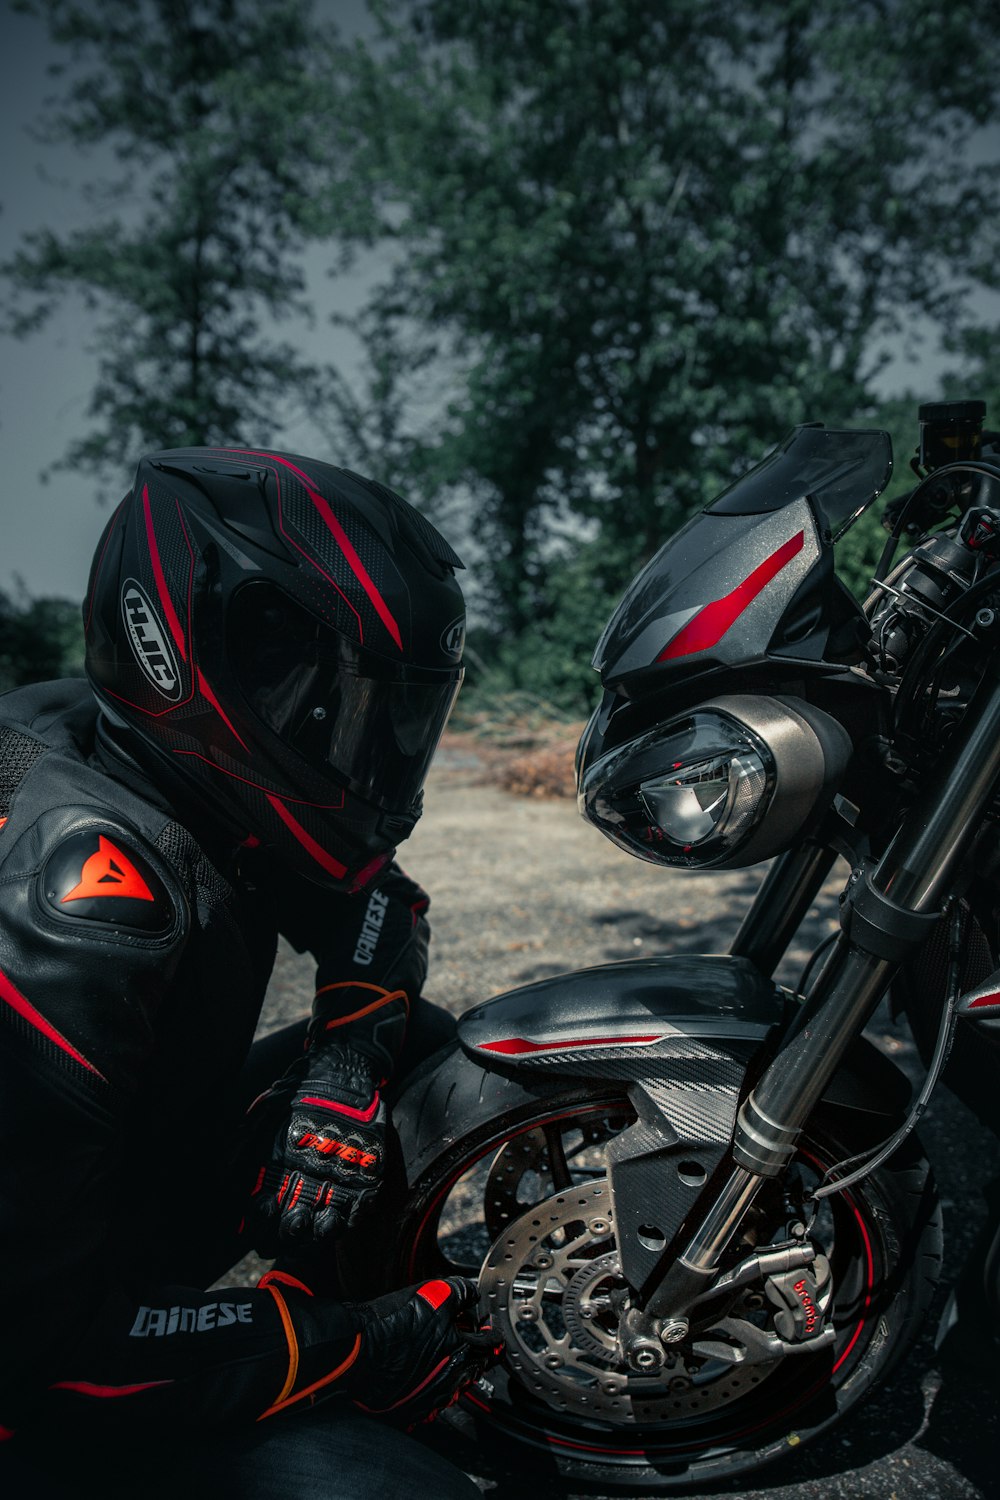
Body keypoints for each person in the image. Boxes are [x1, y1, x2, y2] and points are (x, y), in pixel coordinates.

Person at [0, 447, 492, 1499]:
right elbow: (47, 1359)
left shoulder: (103, 734)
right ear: (201, 656)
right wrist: (365, 1340)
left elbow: (374, 897)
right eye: (335, 708)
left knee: (413, 1038)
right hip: (38, 1363)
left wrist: (344, 1071)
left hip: (88, 1210)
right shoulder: (83, 914)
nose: (369, 756)